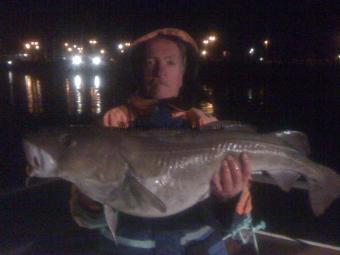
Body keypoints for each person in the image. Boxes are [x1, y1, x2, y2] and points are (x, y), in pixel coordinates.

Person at [70, 28, 252, 255]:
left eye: (170, 63)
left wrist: (228, 199)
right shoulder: (111, 124)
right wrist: (91, 201)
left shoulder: (205, 125)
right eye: (150, 63)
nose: (160, 71)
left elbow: (234, 222)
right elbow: (87, 219)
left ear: (183, 73)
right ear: (139, 70)